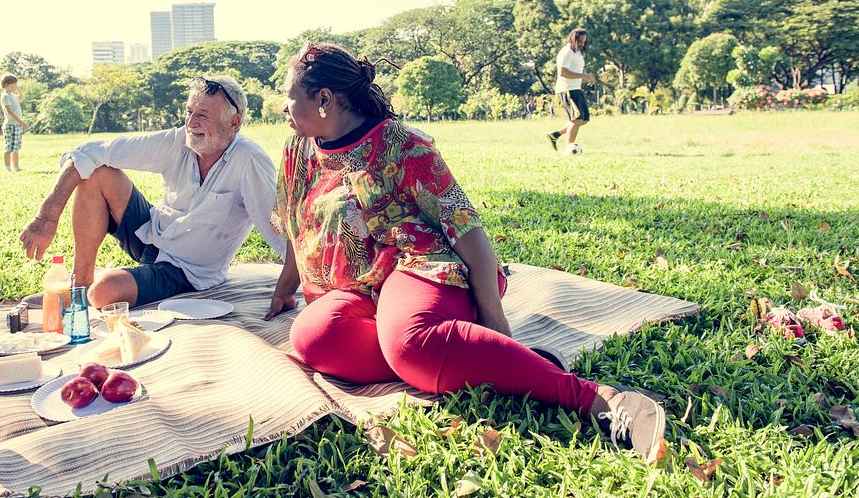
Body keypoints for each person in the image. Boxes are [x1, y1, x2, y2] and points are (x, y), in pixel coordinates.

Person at [265, 42, 667, 463]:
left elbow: (467, 231)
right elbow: (297, 223)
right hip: (365, 288)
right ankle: (495, 361)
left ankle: (600, 399)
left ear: (324, 99)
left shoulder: (404, 146)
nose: (282, 108)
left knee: (409, 345)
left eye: (289, 98)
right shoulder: (298, 149)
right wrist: (284, 288)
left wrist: (493, 317)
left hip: (424, 264)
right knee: (313, 337)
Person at [19, 75, 285, 309]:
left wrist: (298, 285)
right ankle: (78, 288)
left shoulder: (249, 159)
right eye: (189, 111)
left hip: (185, 271)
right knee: (97, 171)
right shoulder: (177, 140)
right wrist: (47, 216)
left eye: (202, 115)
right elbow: (89, 153)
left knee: (103, 294)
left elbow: (278, 228)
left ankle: (103, 282)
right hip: (150, 236)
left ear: (234, 123)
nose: (191, 123)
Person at [547, 28, 596, 151]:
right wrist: (584, 76)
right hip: (567, 89)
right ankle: (569, 149)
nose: (582, 44)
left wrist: (586, 77)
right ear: (573, 39)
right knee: (576, 118)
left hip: (576, 88)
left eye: (584, 42)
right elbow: (562, 72)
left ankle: (555, 135)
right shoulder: (567, 51)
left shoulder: (578, 53)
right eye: (580, 41)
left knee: (584, 119)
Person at [0, 74, 29, 171]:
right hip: (10, 125)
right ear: (6, 84)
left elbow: (21, 97)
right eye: (13, 85)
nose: (15, 87)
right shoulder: (5, 96)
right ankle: (8, 168)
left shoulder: (12, 95)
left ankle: (16, 168)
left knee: (16, 148)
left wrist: (17, 88)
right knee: (9, 147)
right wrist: (22, 122)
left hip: (16, 125)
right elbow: (9, 112)